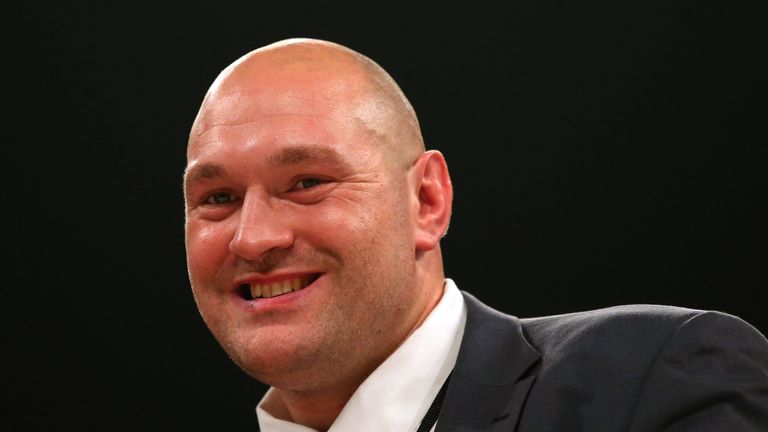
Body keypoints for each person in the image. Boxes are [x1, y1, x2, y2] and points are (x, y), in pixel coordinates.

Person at [183, 38, 768, 431]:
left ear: (427, 201)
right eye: (218, 199)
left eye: (307, 181)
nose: (252, 239)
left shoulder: (657, 379)